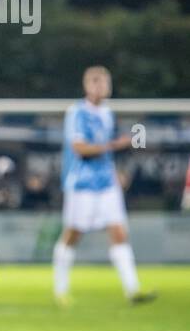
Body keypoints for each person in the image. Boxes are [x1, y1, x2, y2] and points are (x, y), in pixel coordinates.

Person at [52, 66, 156, 305]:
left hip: (107, 184)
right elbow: (80, 148)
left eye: (105, 82)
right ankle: (60, 289)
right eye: (96, 82)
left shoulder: (108, 114)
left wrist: (117, 171)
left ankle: (132, 290)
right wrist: (114, 146)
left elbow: (106, 151)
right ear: (87, 85)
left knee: (119, 232)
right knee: (72, 234)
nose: (102, 86)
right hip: (81, 184)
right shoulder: (76, 112)